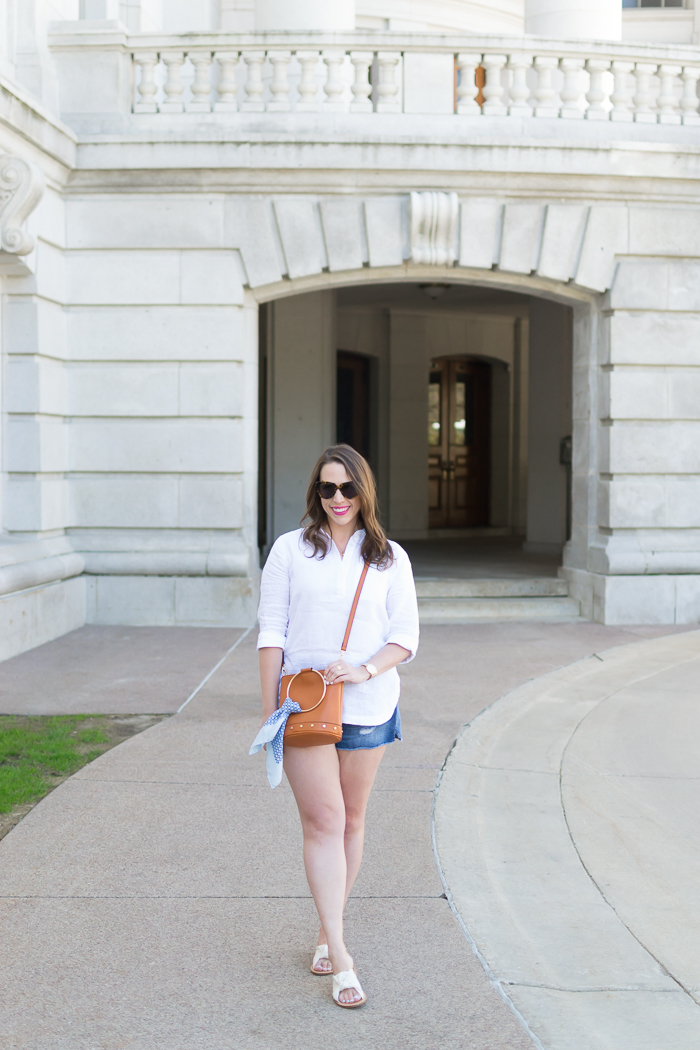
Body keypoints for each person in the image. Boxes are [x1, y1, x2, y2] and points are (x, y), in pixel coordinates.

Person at [253, 444, 419, 1009]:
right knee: (322, 821)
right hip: (303, 707)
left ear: (364, 491)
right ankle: (342, 957)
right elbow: (271, 629)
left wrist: (364, 669)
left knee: (351, 819)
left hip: (370, 705)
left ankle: (327, 929)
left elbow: (406, 636)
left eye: (348, 488)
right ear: (315, 494)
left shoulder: (389, 557)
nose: (339, 499)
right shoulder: (290, 550)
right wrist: (271, 705)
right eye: (328, 489)